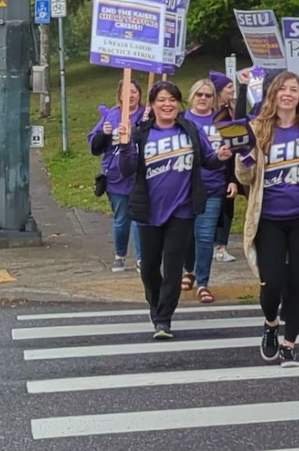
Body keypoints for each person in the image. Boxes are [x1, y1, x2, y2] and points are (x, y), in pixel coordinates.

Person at [236, 71, 299, 367]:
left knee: (298, 283)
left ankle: (289, 344)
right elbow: (244, 177)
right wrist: (244, 159)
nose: (288, 94)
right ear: (273, 95)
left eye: (294, 89)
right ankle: (270, 324)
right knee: (272, 284)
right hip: (268, 218)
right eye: (283, 89)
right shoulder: (256, 129)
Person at [118, 81, 231, 339]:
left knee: (172, 267)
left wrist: (221, 158)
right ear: (153, 105)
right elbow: (126, 169)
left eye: (172, 99)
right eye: (161, 100)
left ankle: (163, 319)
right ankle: (156, 305)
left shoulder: (190, 129)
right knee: (148, 267)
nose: (167, 104)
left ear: (178, 104)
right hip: (148, 211)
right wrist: (125, 145)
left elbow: (207, 160)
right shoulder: (141, 132)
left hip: (182, 210)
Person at [180, 79, 234, 303]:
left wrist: (233, 180)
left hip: (214, 185)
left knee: (204, 235)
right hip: (184, 187)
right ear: (192, 96)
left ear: (215, 98)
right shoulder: (182, 120)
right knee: (185, 234)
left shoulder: (222, 121)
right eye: (199, 94)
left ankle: (203, 282)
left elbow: (235, 151)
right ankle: (188, 270)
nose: (203, 98)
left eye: (208, 95)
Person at [89, 80, 146, 273]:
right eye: (126, 91)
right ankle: (120, 255)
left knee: (140, 218)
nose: (131, 95)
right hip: (116, 177)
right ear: (119, 95)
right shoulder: (111, 116)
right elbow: (95, 147)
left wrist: (138, 129)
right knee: (122, 218)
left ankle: (141, 259)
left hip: (140, 175)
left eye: (135, 91)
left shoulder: (146, 115)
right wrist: (104, 135)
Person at [210, 70, 240, 264]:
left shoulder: (232, 112)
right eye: (229, 87)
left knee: (227, 205)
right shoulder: (210, 115)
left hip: (230, 165)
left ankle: (221, 246)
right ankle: (210, 244)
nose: (233, 90)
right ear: (219, 91)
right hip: (210, 167)